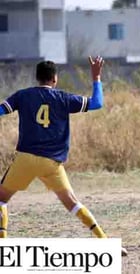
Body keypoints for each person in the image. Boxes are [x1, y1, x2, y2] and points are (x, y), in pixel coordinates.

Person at [0, 57, 128, 256]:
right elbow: (97, 103)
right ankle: (105, 242)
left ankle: (3, 245)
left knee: (2, 200)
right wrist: (96, 77)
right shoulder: (63, 98)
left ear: (37, 78)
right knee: (73, 203)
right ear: (55, 79)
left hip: (25, 158)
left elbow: (1, 110)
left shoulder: (23, 96)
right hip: (51, 162)